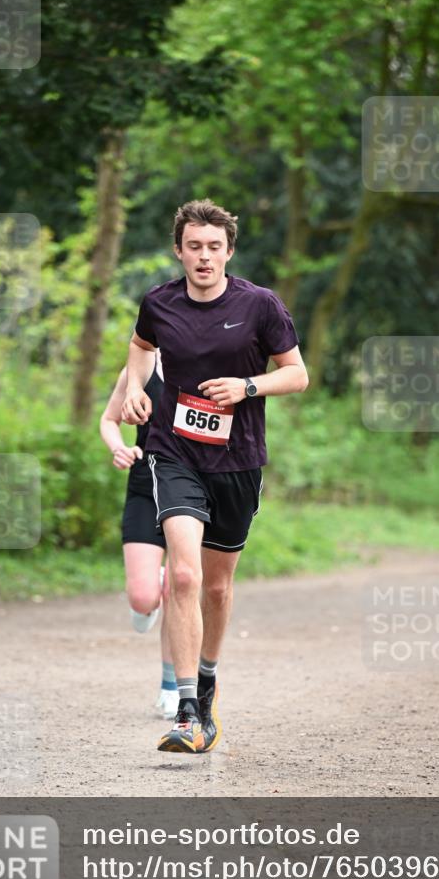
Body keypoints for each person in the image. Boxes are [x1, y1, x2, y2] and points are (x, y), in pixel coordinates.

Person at [122, 198, 308, 753]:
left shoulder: (260, 306)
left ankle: (206, 682)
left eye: (214, 248)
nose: (204, 257)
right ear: (178, 250)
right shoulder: (159, 303)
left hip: (238, 460)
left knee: (218, 586)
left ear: (229, 252)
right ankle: (184, 711)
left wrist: (248, 386)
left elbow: (297, 374)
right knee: (183, 577)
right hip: (173, 451)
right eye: (194, 247)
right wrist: (135, 388)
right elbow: (140, 347)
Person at [99, 350, 178, 719]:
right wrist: (119, 447)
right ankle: (156, 586)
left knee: (181, 589)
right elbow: (109, 419)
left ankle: (171, 686)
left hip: (194, 489)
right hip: (146, 485)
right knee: (143, 599)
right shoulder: (139, 369)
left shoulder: (214, 363)